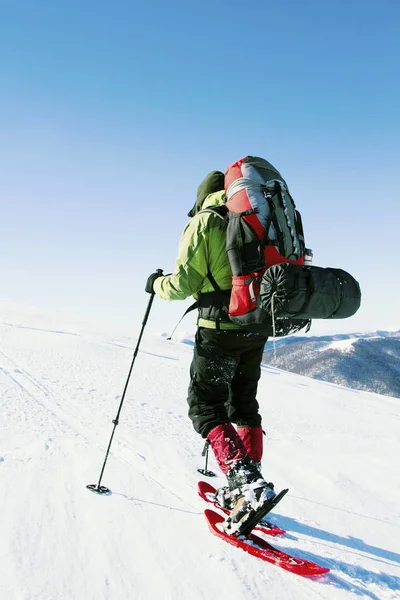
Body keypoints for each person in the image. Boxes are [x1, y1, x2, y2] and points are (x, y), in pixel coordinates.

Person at [145, 169, 276, 536]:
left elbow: (183, 283)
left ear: (202, 198)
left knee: (205, 406)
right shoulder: (260, 216)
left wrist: (156, 283)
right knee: (244, 405)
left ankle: (246, 487)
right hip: (259, 325)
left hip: (221, 328)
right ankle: (248, 486)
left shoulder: (205, 221)